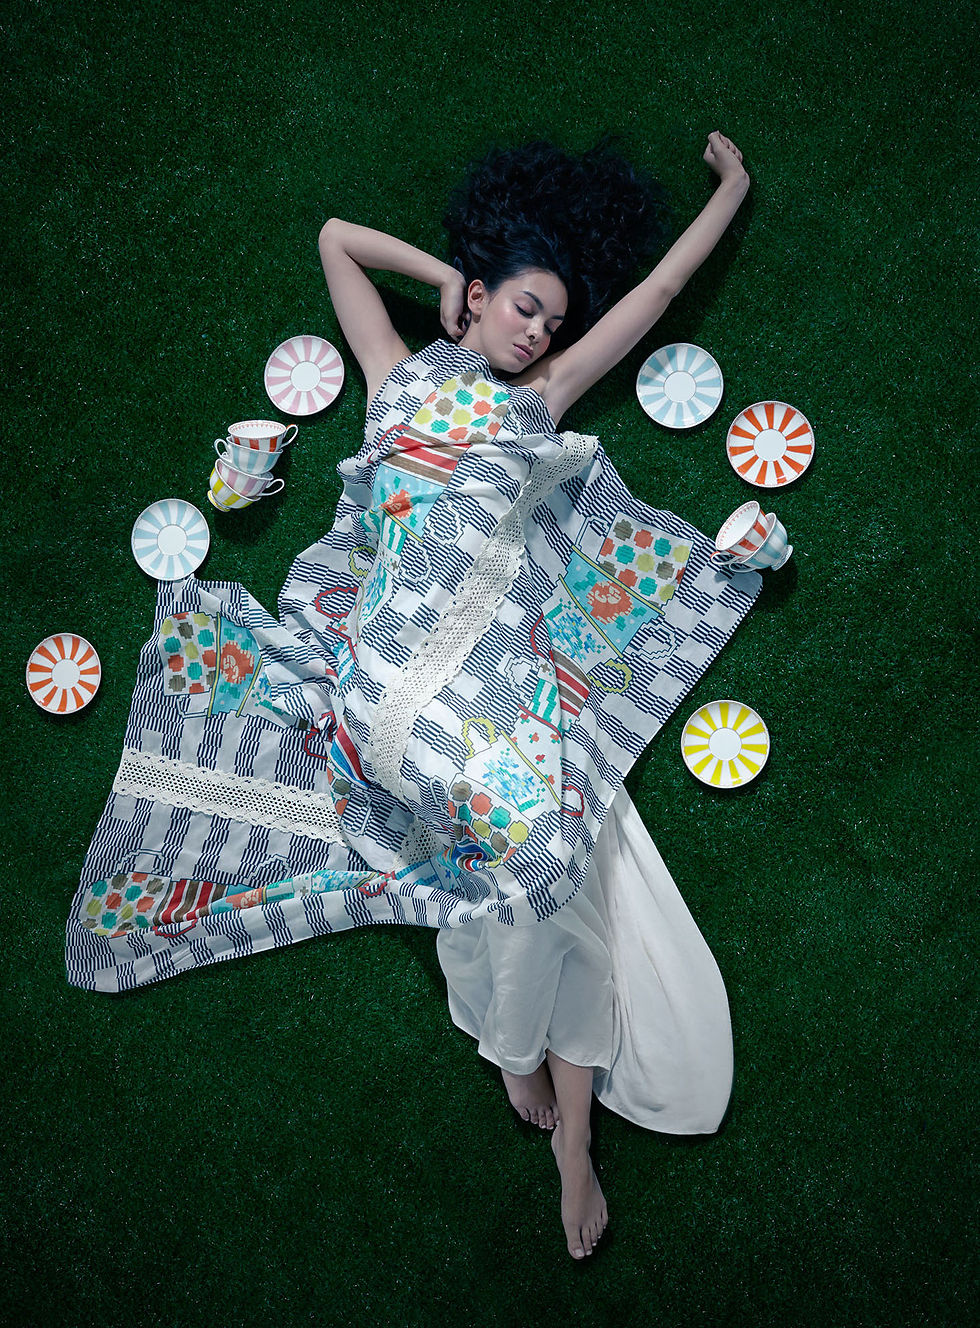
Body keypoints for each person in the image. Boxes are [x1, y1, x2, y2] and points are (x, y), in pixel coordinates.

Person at [67, 133, 757, 1262]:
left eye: (552, 322)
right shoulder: (394, 379)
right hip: (385, 679)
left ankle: (560, 1117)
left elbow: (660, 294)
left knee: (547, 865)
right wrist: (440, 276)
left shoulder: (540, 399)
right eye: (524, 307)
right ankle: (530, 1064)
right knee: (535, 864)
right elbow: (337, 241)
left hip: (496, 682)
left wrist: (731, 192)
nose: (539, 334)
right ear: (480, 296)